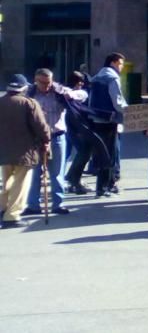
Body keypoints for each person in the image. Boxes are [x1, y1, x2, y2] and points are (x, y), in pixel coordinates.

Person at [24, 69, 87, 216]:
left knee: (57, 172)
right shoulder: (30, 92)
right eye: (42, 83)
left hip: (57, 136)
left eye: (48, 82)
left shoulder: (58, 90)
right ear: (35, 80)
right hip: (36, 138)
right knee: (35, 172)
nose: (46, 86)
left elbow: (84, 95)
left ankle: (58, 204)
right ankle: (33, 205)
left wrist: (70, 94)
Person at [1, 75, 51, 229]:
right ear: (24, 88)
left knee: (7, 182)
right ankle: (12, 216)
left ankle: (2, 209)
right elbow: (41, 126)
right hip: (25, 151)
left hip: (3, 150)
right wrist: (46, 140)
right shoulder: (29, 103)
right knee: (20, 184)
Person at [88, 53, 129, 197]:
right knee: (111, 154)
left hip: (95, 120)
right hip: (110, 120)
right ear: (114, 62)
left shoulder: (96, 77)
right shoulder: (112, 78)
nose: (122, 67)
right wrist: (130, 111)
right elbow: (117, 102)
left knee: (100, 153)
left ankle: (102, 186)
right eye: (121, 63)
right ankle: (106, 186)